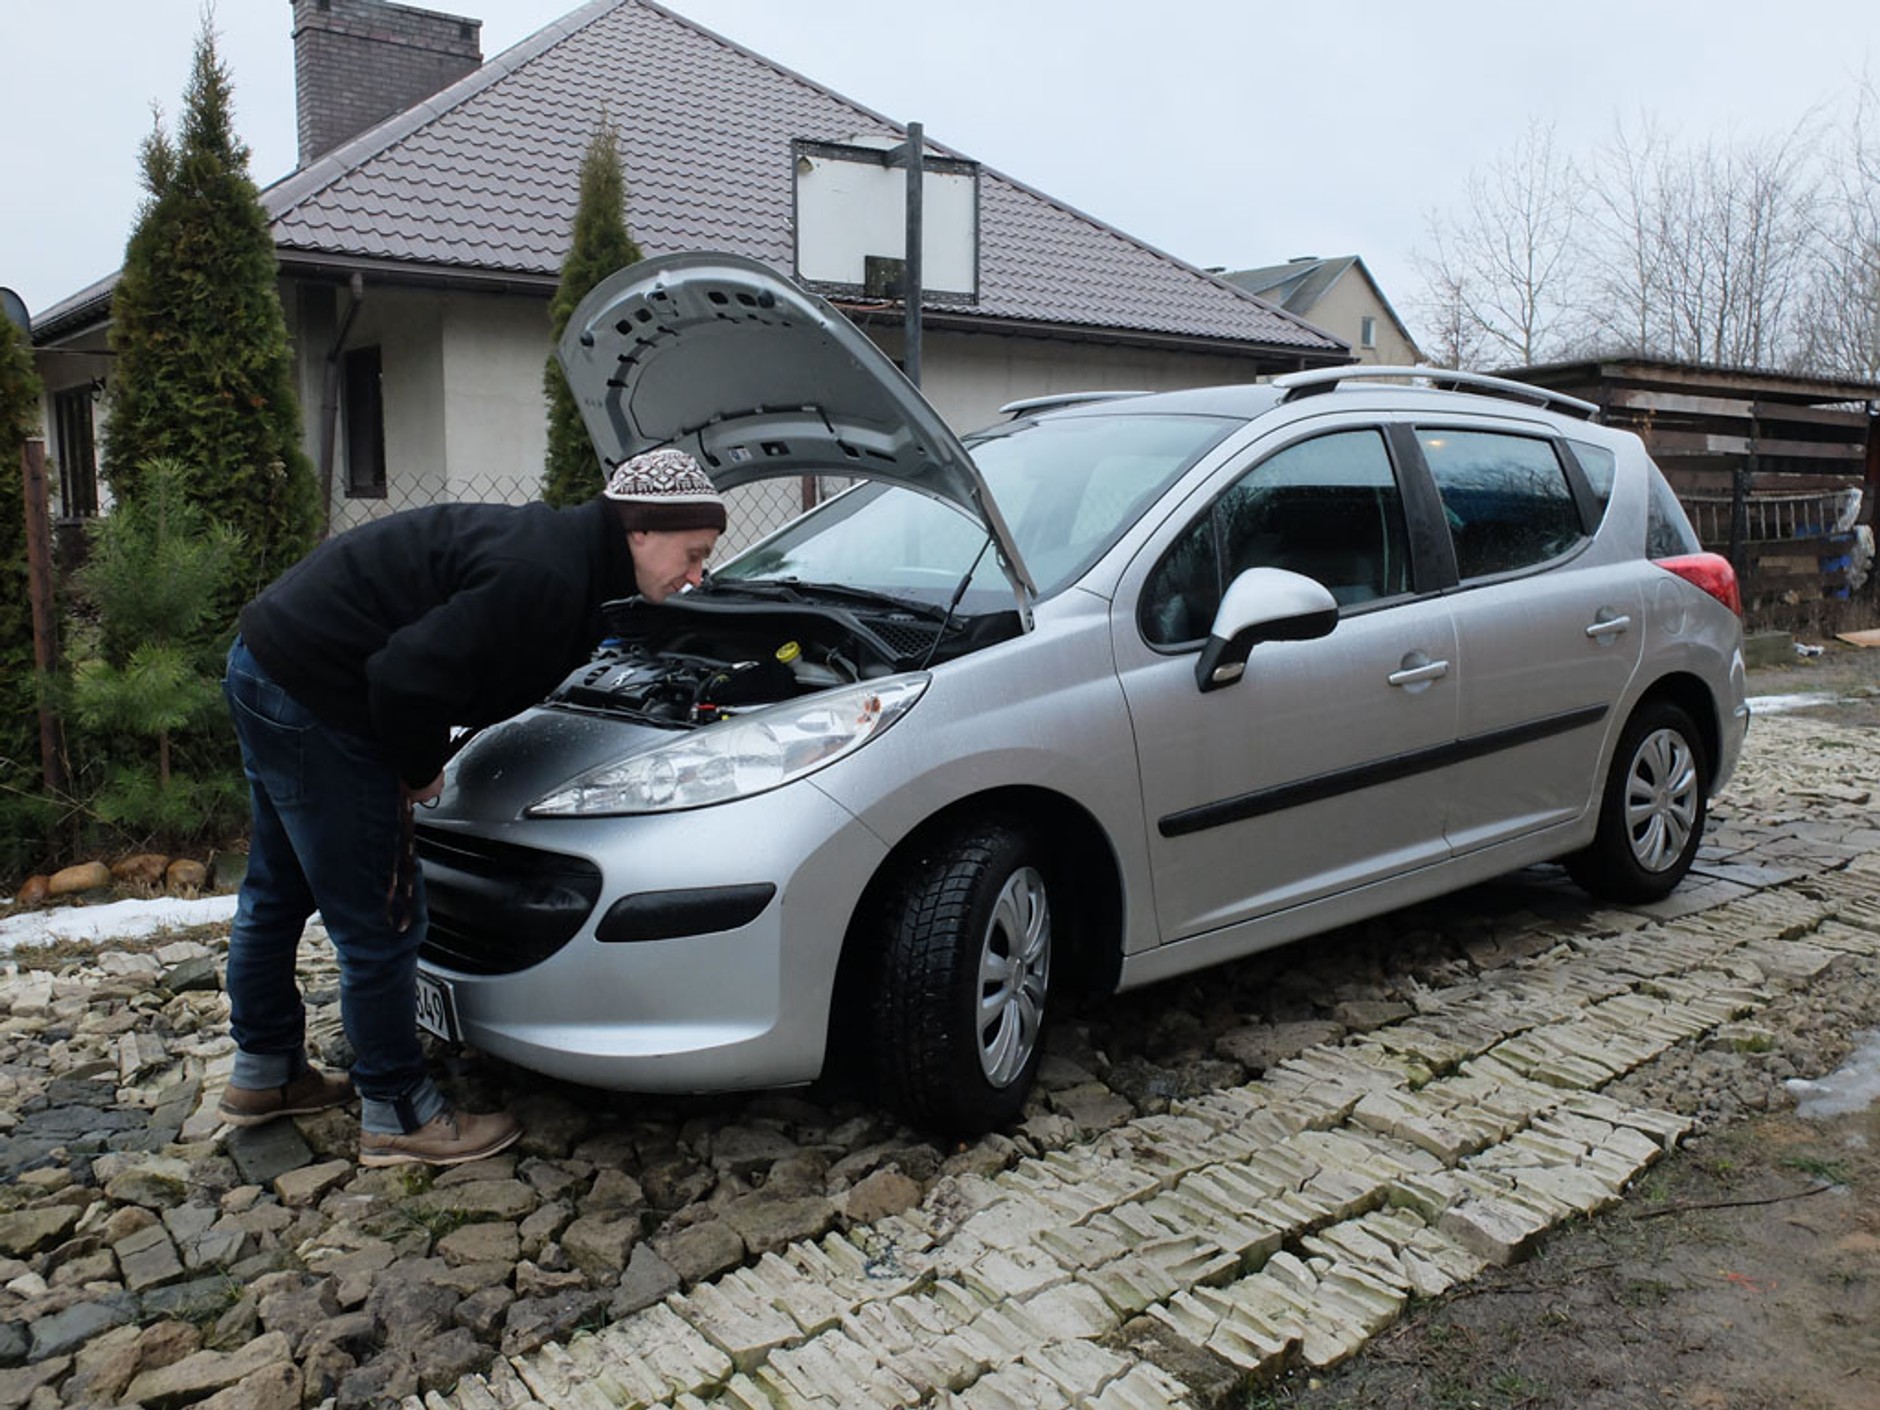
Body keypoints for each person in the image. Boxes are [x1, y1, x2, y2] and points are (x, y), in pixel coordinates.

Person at [216, 448, 726, 1165]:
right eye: (693, 553)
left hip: (267, 660)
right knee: (383, 914)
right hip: (317, 690)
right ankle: (396, 1113)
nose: (698, 575)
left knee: (279, 886)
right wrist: (419, 768)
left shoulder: (567, 557)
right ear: (640, 530)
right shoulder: (546, 577)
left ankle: (265, 1073)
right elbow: (404, 678)